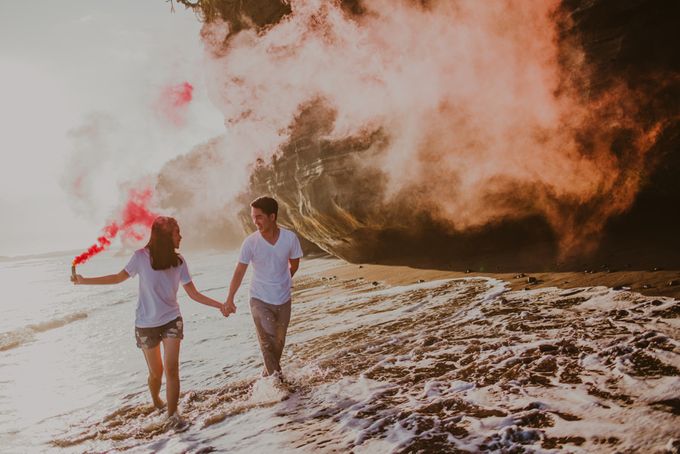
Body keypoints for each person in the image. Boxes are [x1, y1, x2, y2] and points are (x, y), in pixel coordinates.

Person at [71, 216, 230, 431]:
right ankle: (156, 400)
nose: (180, 236)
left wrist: (219, 305)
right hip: (146, 324)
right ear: (165, 235)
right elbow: (118, 278)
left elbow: (193, 293)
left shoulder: (179, 261)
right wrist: (84, 281)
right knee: (157, 373)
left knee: (172, 370)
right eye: (176, 232)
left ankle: (173, 417)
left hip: (172, 320)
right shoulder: (140, 257)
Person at [224, 196, 303, 380]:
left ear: (272, 216)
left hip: (283, 299)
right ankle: (279, 385)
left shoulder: (290, 238)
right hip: (259, 298)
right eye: (253, 217)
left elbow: (295, 264)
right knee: (267, 342)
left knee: (278, 344)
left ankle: (267, 378)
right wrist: (230, 298)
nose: (255, 221)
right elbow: (240, 271)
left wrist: (283, 280)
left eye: (259, 217)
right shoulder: (250, 243)